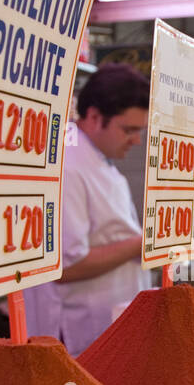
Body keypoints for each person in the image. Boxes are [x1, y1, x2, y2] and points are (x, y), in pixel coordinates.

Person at [22, 63, 151, 356]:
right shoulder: (67, 165)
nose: (136, 140)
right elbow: (63, 266)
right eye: (129, 130)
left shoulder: (98, 159)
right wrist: (139, 245)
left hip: (108, 328)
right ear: (93, 116)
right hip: (78, 334)